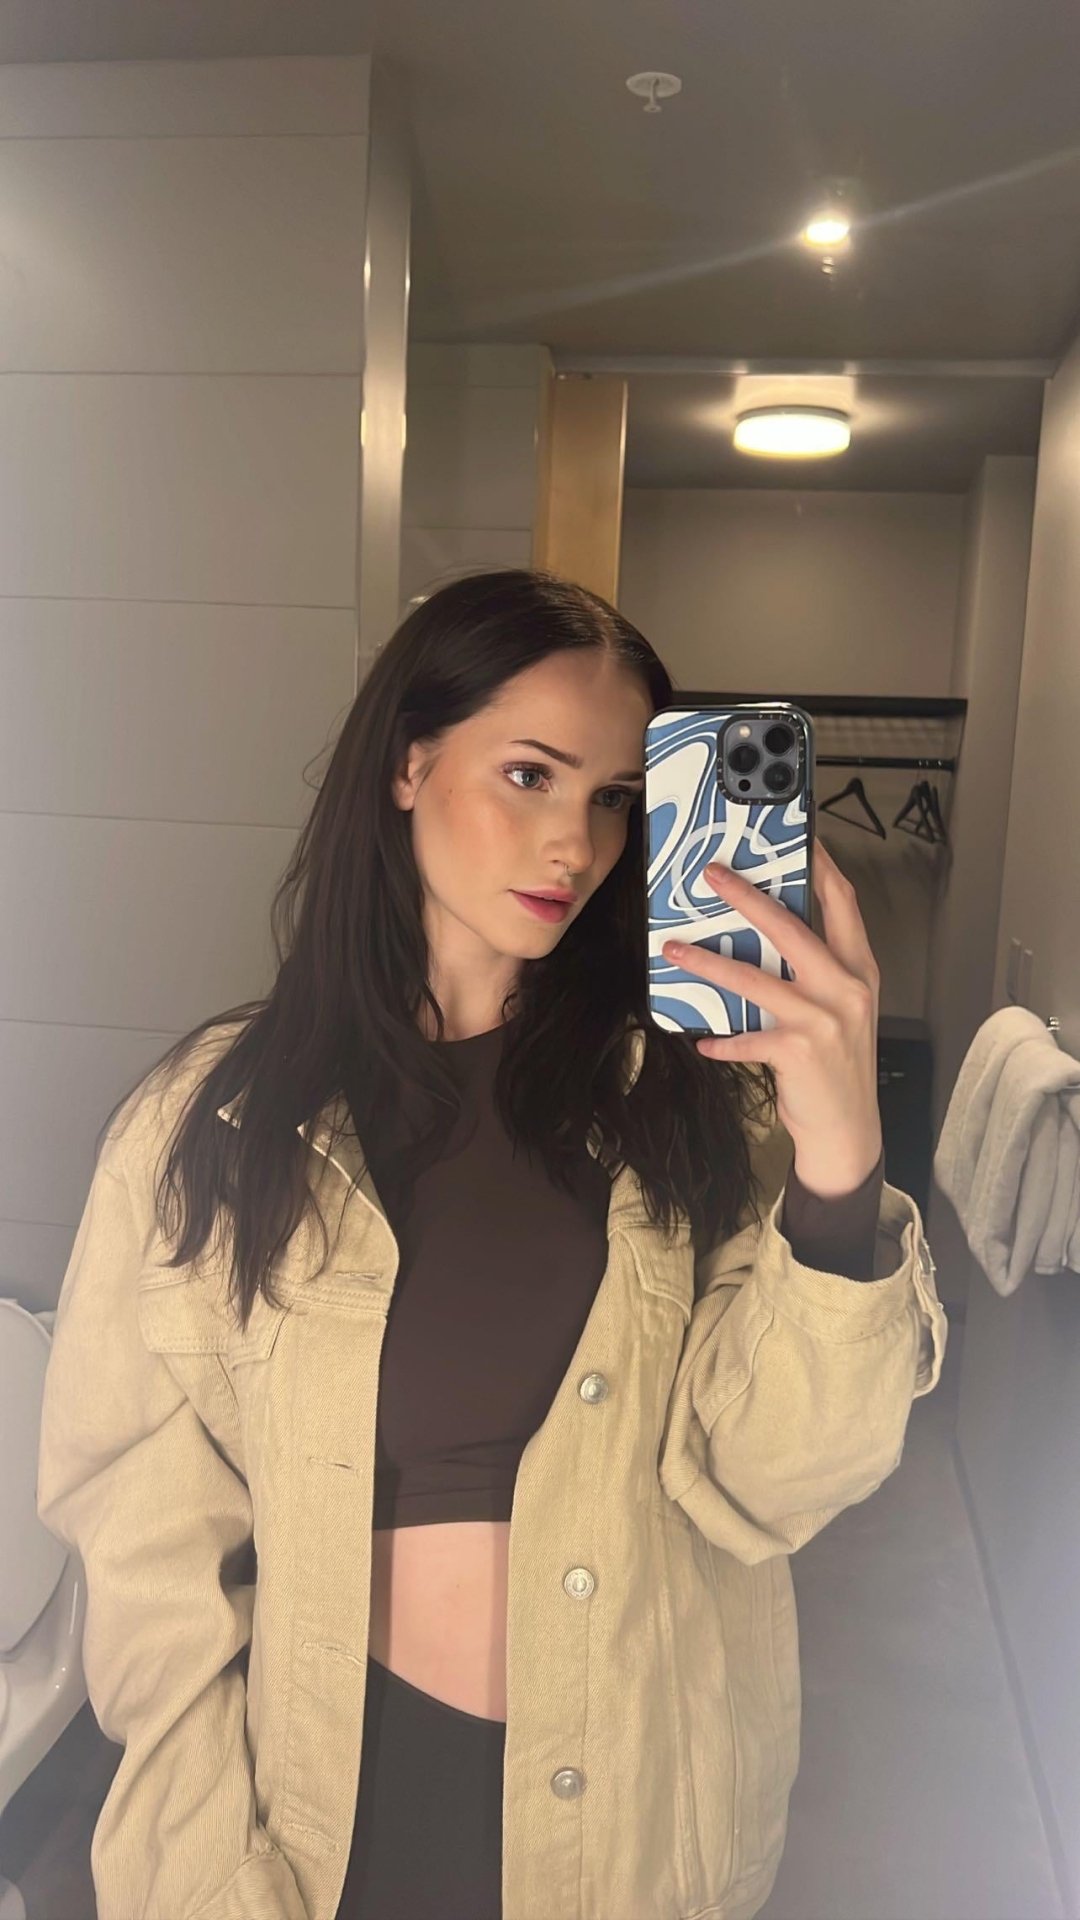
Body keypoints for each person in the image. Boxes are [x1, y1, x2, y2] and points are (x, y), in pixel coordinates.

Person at [37, 568, 947, 1920]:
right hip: (317, 1837)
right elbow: (145, 1551)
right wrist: (209, 1874)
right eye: (530, 775)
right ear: (409, 765)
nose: (574, 844)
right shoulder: (209, 1125)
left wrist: (839, 1163)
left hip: (635, 1826)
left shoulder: (695, 1106)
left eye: (614, 798)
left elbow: (777, 1482)